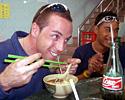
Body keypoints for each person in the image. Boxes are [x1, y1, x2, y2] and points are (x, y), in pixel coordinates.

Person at [0, 3, 81, 100]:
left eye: (66, 40)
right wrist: (4, 83)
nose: (61, 48)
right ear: (35, 30)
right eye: (55, 36)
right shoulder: (3, 51)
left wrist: (59, 73)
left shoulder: (43, 55)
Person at [73, 11, 125, 80]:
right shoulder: (81, 52)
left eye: (116, 30)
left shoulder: (121, 52)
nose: (113, 35)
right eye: (108, 30)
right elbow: (71, 82)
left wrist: (107, 70)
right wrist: (89, 71)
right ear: (96, 30)